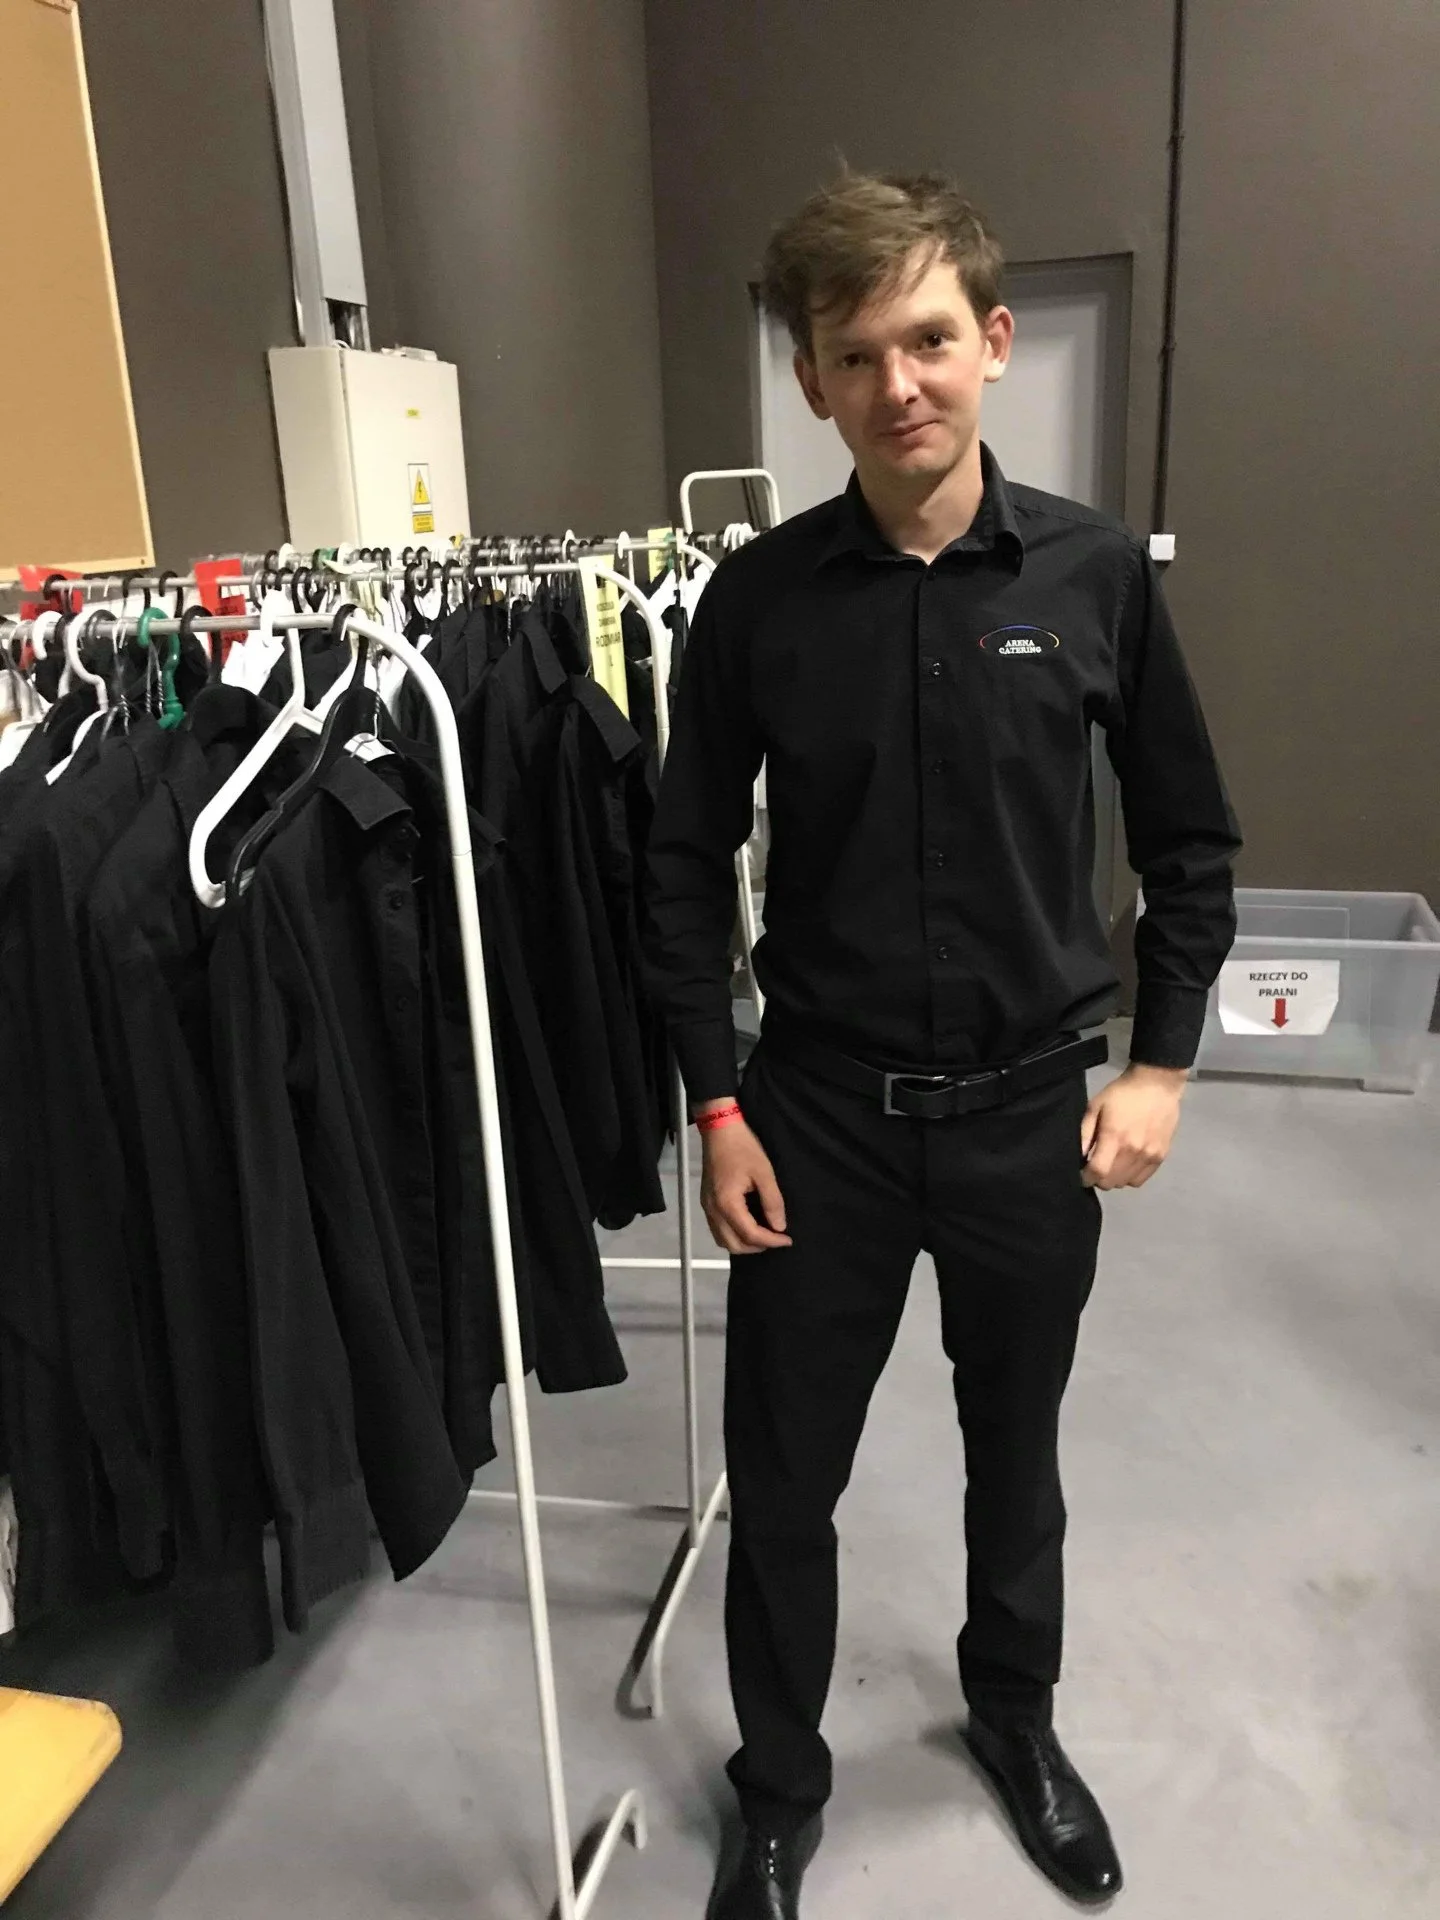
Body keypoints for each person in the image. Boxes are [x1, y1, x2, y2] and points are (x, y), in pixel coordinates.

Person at [642, 169, 1242, 1919]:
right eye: (854, 353)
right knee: (791, 1480)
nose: (897, 382)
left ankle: (1014, 1723)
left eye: (926, 339)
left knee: (1017, 1458)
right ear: (813, 386)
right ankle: (776, 1791)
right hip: (812, 1119)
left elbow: (1191, 839)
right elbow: (681, 869)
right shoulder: (754, 607)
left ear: (990, 343)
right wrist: (717, 1099)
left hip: (1023, 1128)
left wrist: (1165, 1063)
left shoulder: (1096, 575)